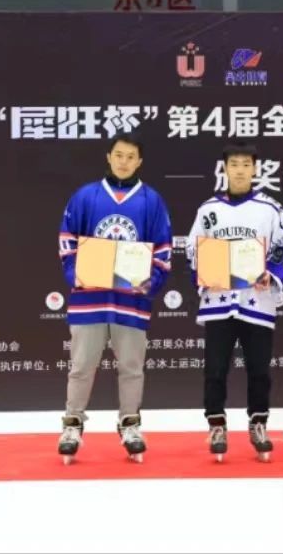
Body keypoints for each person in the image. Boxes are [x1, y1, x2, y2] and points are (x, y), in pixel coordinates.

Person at [56, 132, 172, 464]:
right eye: (118, 155)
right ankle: (72, 424)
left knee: (132, 367)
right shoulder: (86, 196)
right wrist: (76, 276)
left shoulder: (151, 201)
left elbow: (163, 249)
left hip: (131, 301)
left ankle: (130, 424)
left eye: (130, 156)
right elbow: (67, 241)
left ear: (139, 161)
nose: (124, 161)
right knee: (81, 366)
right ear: (109, 157)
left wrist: (151, 281)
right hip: (89, 300)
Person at [186, 143, 283, 462]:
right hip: (218, 300)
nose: (240, 170)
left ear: (255, 169)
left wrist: (271, 274)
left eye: (246, 164)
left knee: (259, 369)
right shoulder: (208, 210)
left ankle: (258, 423)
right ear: (225, 168)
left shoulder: (271, 208)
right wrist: (205, 273)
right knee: (215, 369)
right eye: (234, 164)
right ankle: (216, 426)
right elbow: (192, 249)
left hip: (256, 301)